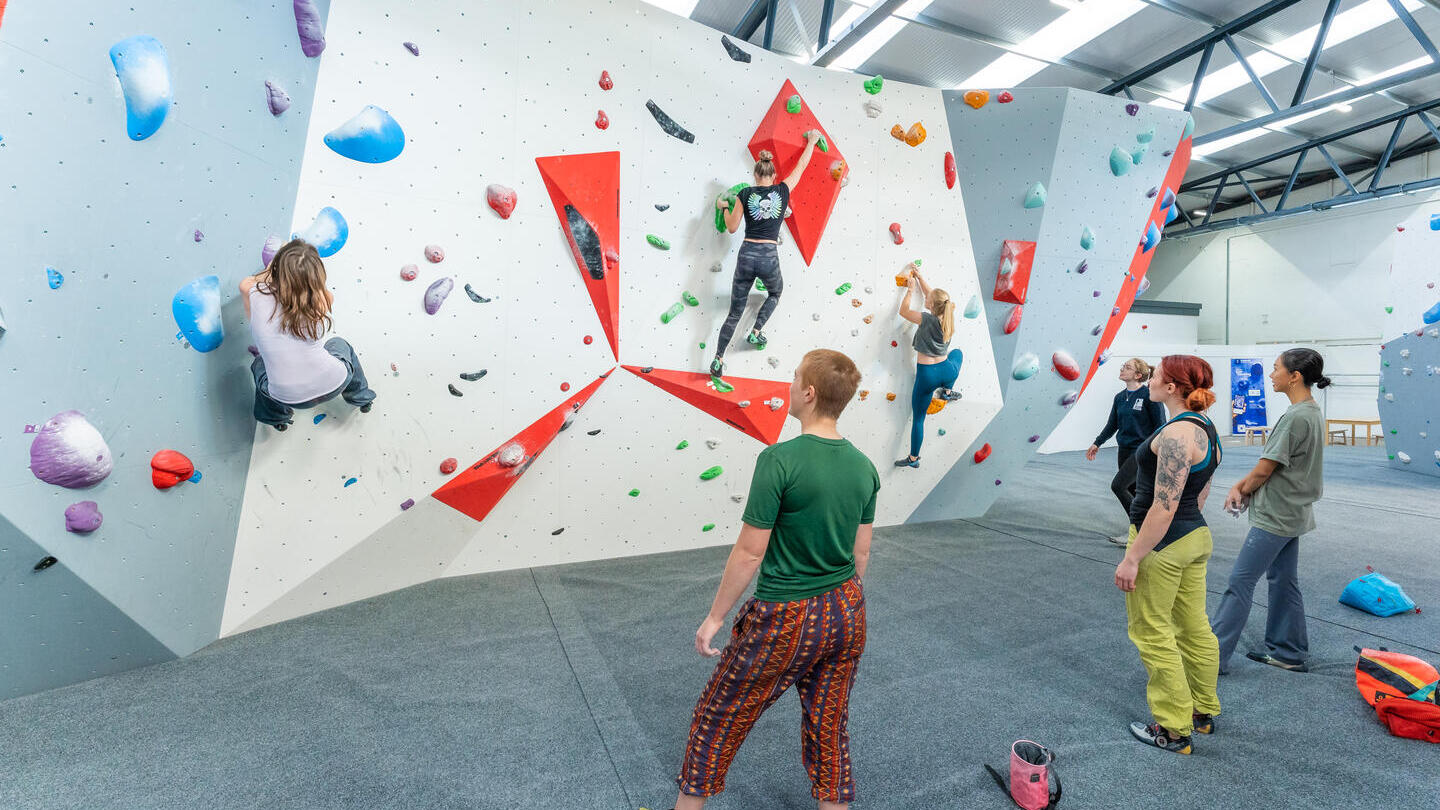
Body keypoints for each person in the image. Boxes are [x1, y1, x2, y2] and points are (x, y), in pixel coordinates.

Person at [675, 349, 879, 810]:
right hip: (848, 609)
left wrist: (714, 618)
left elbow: (750, 552)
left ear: (808, 393)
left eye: (793, 379)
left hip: (787, 616)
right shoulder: (865, 466)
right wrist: (843, 603)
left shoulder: (779, 459)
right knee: (829, 725)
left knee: (718, 717)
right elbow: (860, 552)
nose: (788, 386)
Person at [1114, 355, 1223, 755]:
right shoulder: (1206, 427)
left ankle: (1174, 729)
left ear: (1173, 387)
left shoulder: (1178, 434)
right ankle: (1202, 711)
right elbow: (1202, 490)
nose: (1151, 380)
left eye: (1157, 375)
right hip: (1194, 538)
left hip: (1163, 543)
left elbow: (1164, 506)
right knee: (1194, 627)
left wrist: (1133, 557)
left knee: (1151, 632)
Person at [1212, 349, 1329, 674]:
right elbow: (1272, 468)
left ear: (1294, 376)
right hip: (1293, 512)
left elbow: (1265, 470)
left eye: (1276, 369)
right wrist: (1242, 484)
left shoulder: (1295, 417)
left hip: (1277, 516)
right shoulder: (1310, 412)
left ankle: (1213, 659)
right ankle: (1288, 651)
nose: (1271, 374)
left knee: (1240, 582)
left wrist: (1240, 489)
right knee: (1282, 579)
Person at [709, 132, 822, 383]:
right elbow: (801, 167)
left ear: (755, 175)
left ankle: (717, 359)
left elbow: (731, 227)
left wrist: (725, 207)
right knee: (775, 293)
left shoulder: (745, 194)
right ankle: (757, 331)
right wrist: (811, 142)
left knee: (734, 312)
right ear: (773, 176)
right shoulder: (782, 190)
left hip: (747, 254)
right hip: (769, 256)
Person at [241, 239, 376, 430]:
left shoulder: (256, 295)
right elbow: (320, 292)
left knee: (259, 365)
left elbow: (246, 283)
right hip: (335, 382)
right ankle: (361, 397)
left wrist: (271, 268)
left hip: (288, 398)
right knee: (339, 344)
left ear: (276, 272)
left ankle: (276, 418)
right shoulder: (321, 300)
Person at [1086, 358, 1166, 544]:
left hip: (1142, 451)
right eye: (1123, 366)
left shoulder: (1149, 396)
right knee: (1134, 491)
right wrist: (1097, 443)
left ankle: (1144, 529)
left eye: (1127, 367)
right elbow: (1112, 424)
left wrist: (1152, 450)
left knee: (1118, 486)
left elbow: (1160, 426)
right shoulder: (1120, 397)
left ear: (1138, 375)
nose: (1122, 369)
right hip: (1124, 449)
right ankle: (1139, 532)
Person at [893, 262, 963, 468]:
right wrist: (920, 276)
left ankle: (914, 459)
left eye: (927, 299)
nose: (926, 297)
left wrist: (910, 290)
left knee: (919, 419)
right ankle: (948, 391)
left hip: (927, 376)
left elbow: (903, 311)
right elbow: (934, 295)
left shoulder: (924, 318)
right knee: (957, 354)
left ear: (931, 305)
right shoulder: (949, 312)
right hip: (946, 371)